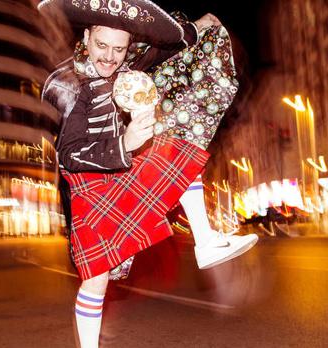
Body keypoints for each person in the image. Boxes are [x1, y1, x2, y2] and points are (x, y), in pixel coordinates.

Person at [37, 1, 258, 346]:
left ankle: (207, 240)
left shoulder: (127, 64)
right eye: (102, 46)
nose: (110, 57)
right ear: (86, 36)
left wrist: (199, 26)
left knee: (176, 145)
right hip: (90, 186)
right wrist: (124, 143)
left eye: (119, 49)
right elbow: (69, 154)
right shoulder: (69, 84)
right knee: (96, 280)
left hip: (122, 172)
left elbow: (166, 46)